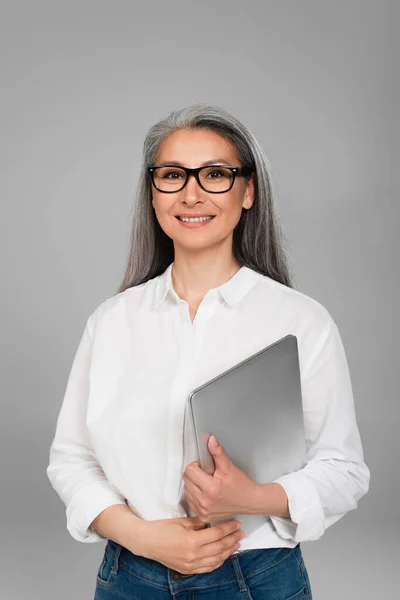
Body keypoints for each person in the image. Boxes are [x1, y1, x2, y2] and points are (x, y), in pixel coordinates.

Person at [46, 102, 370, 599]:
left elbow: (345, 472)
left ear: (248, 191)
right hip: (131, 575)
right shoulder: (112, 322)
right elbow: (71, 460)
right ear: (153, 195)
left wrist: (256, 498)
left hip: (255, 577)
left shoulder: (302, 322)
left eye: (216, 174)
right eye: (173, 175)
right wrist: (140, 536)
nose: (192, 193)